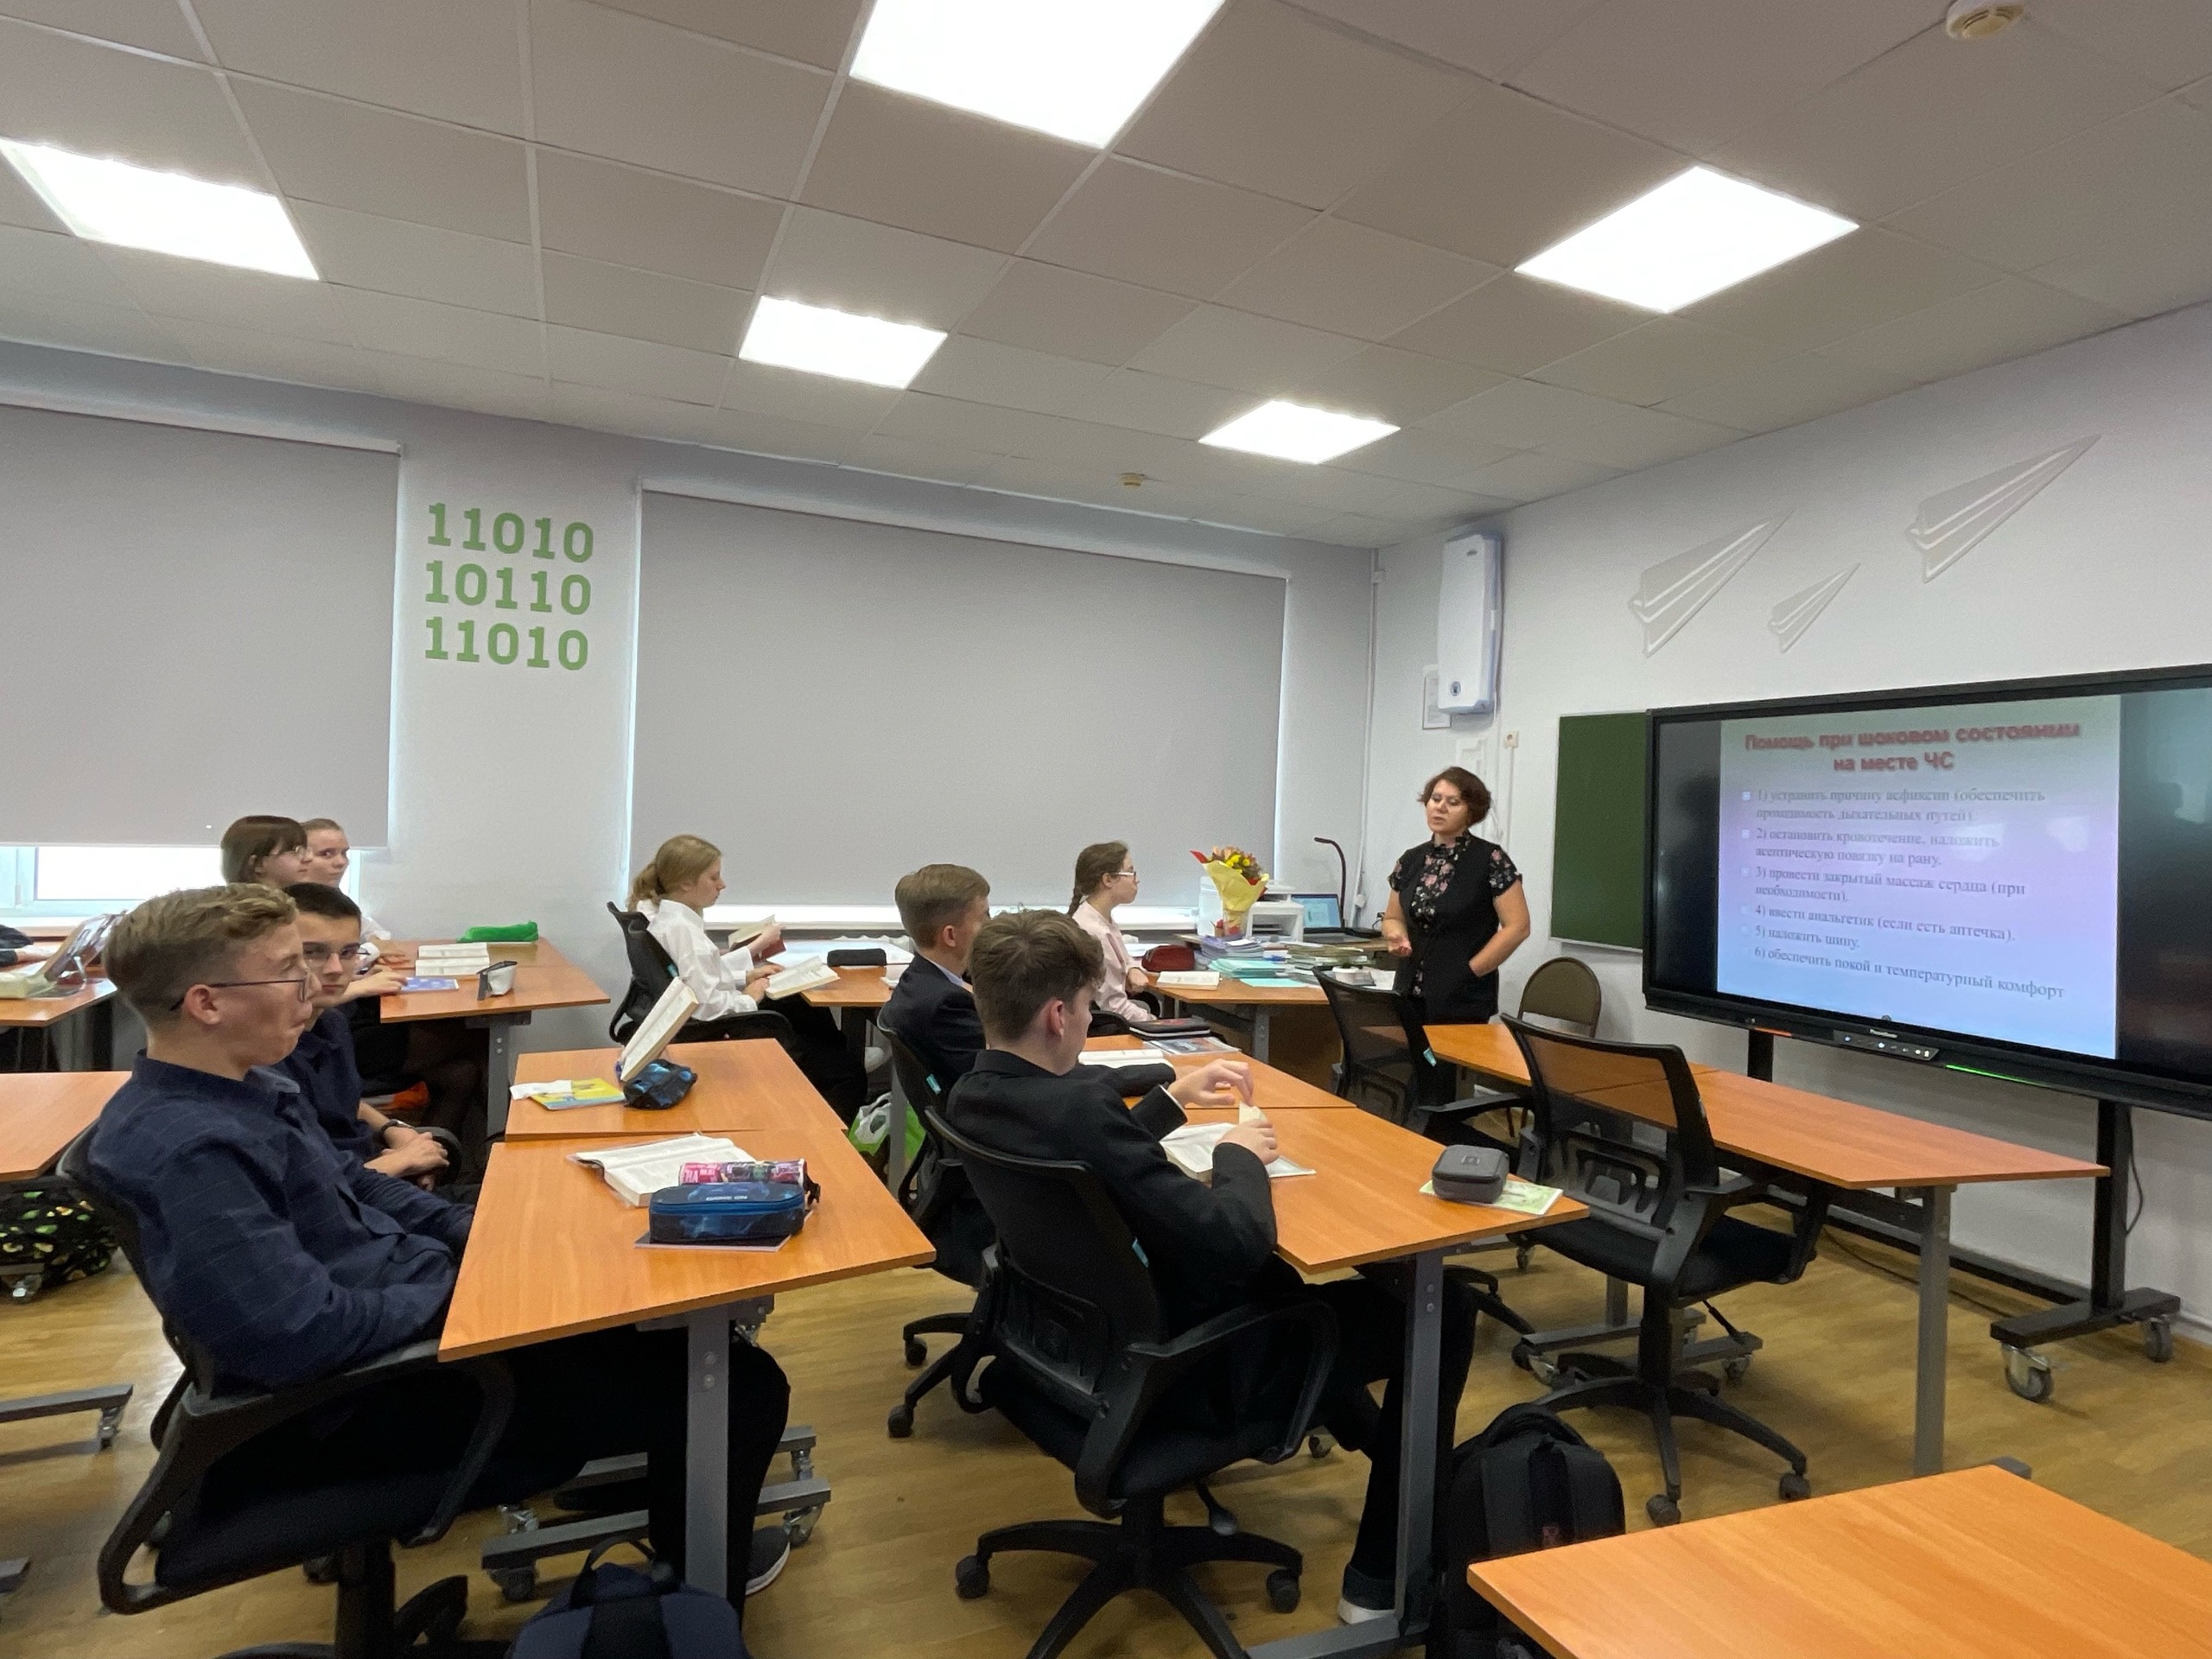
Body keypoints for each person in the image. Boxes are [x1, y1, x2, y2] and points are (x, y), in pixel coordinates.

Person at [85, 884, 795, 1604]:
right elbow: (301, 1333)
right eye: (287, 971)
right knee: (738, 1385)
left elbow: (356, 1188)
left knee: (647, 1310)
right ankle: (698, 1603)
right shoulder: (193, 1150)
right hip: (365, 1397)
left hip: (406, 1326)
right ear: (206, 1003)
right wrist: (470, 1292)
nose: (313, 988)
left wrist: (485, 1233)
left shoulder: (245, 1088)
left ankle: (668, 1511)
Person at [945, 909, 1475, 1625]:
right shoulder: (1076, 1108)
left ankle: (1396, 1456)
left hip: (1063, 1353)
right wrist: (1237, 1154)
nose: (1090, 1020)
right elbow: (1237, 1242)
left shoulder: (975, 1096)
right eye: (1088, 1008)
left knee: (1326, 1304)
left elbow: (1086, 1163)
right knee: (1441, 1311)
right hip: (1180, 1369)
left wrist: (1171, 1101)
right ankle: (1379, 1582)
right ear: (1058, 1015)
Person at [628, 834, 864, 1119]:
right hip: (719, 1026)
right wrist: (749, 998)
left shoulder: (671, 920)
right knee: (848, 1075)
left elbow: (702, 975)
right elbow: (707, 1007)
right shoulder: (684, 933)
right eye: (714, 877)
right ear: (686, 883)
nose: (722, 885)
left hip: (708, 1018)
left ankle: (835, 1051)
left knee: (802, 1009)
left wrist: (746, 976)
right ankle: (835, 1081)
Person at [282, 882, 450, 1188]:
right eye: (313, 953)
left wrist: (392, 1129)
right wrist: (402, 1161)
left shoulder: (331, 1023)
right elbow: (307, 1188)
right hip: (348, 1193)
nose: (335, 968)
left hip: (367, 1175)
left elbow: (345, 1103)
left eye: (348, 952)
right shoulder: (270, 1051)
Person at [1379, 766, 1530, 1023]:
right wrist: (1395, 934)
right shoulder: (1411, 860)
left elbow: (1518, 927)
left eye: (1453, 802)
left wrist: (1471, 971)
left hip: (1462, 996)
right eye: (1435, 799)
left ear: (1471, 812)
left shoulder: (1490, 859)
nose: (1440, 808)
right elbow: (1393, 917)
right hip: (1409, 991)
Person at [882, 863, 990, 1087]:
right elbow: (990, 1076)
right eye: (984, 917)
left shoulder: (917, 979)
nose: (991, 927)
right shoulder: (946, 1005)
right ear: (950, 936)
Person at [298, 817, 409, 969]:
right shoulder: (290, 906)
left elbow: (374, 931)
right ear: (300, 859)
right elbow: (321, 967)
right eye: (326, 854)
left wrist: (376, 943)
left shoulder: (332, 898)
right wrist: (374, 950)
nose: (341, 862)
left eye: (344, 853)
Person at [1068, 841, 1153, 1026]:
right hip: (1104, 1020)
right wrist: (1157, 1023)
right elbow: (1114, 1007)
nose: (1136, 879)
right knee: (1153, 1012)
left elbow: (1124, 958)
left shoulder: (1101, 918)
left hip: (1107, 1011)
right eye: (1130, 872)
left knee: (1148, 1003)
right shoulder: (1095, 931)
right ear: (1107, 880)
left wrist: (1132, 969)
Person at [219, 815, 315, 887]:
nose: (308, 858)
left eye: (305, 849)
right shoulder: (246, 907)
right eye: (295, 850)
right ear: (258, 864)